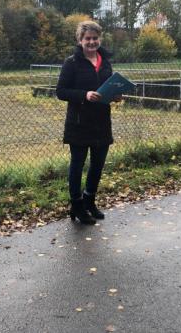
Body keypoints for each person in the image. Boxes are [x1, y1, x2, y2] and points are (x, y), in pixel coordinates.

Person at [56, 21, 120, 225]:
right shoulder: (72, 63)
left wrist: (115, 95)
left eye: (95, 38)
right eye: (88, 38)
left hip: (101, 122)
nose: (92, 42)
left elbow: (108, 87)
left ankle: (89, 201)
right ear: (80, 40)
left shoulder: (106, 62)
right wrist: (85, 95)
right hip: (79, 123)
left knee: (97, 165)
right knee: (77, 165)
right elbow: (61, 91)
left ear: (99, 39)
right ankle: (76, 205)